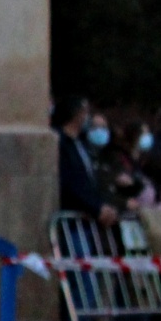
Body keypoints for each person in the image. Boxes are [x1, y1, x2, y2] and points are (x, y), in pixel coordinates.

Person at [54, 95, 116, 229]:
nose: (87, 117)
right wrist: (95, 207)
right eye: (85, 112)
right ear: (76, 114)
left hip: (88, 219)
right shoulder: (61, 143)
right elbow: (69, 181)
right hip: (73, 221)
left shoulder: (81, 144)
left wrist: (101, 205)